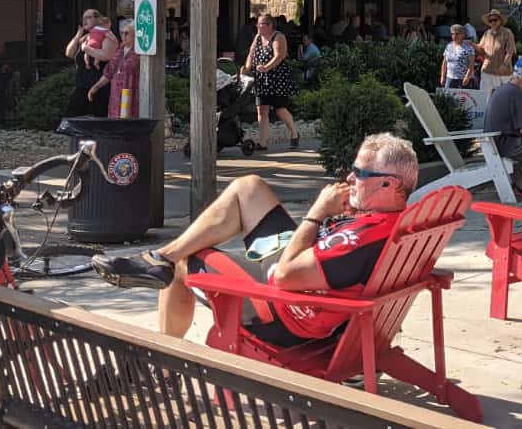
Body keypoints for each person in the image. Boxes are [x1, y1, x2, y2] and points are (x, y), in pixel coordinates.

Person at [91, 134, 419, 347]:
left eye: (359, 174)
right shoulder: (393, 221)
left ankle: (162, 359)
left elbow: (284, 276)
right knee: (249, 187)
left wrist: (318, 213)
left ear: (389, 185)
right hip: (313, 280)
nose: (349, 178)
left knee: (184, 263)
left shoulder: (357, 238)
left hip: (283, 312)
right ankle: (157, 258)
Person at [482, 55, 522, 199]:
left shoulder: (502, 89)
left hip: (494, 143)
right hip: (504, 144)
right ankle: (520, 185)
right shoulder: (517, 94)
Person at [243, 13, 301, 150]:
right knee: (262, 110)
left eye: (261, 24)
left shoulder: (278, 37)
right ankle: (262, 143)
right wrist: (246, 68)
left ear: (270, 26)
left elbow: (279, 56)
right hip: (261, 78)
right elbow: (251, 54)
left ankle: (294, 134)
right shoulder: (258, 37)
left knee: (280, 109)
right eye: (257, 24)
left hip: (277, 78)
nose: (257, 26)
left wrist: (267, 67)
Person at [65, 8, 118, 117]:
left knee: (98, 121)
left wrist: (87, 49)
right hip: (81, 85)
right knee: (71, 118)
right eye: (83, 18)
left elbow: (106, 55)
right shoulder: (86, 37)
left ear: (98, 19)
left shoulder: (106, 35)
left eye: (88, 17)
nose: (84, 20)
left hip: (99, 86)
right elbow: (69, 53)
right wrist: (78, 35)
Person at [89, 21, 140, 118]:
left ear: (136, 34)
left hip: (133, 92)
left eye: (127, 33)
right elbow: (109, 72)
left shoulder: (140, 52)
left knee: (130, 121)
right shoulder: (119, 50)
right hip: (116, 94)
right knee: (116, 120)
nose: (123, 36)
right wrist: (96, 87)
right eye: (122, 32)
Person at [478, 9, 517, 99]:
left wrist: (504, 64)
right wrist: (472, 45)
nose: (493, 22)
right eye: (490, 20)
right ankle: (486, 113)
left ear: (500, 21)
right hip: (487, 70)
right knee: (484, 97)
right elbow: (481, 49)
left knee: (505, 98)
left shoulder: (507, 32)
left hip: (503, 72)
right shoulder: (486, 33)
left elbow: (510, 51)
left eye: (495, 20)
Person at [439, 24, 477, 89]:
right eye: (452, 34)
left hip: (463, 79)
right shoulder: (449, 46)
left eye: (457, 34)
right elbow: (444, 63)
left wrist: (467, 77)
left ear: (463, 34)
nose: (454, 36)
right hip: (450, 78)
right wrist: (442, 76)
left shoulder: (469, 47)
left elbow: (471, 64)